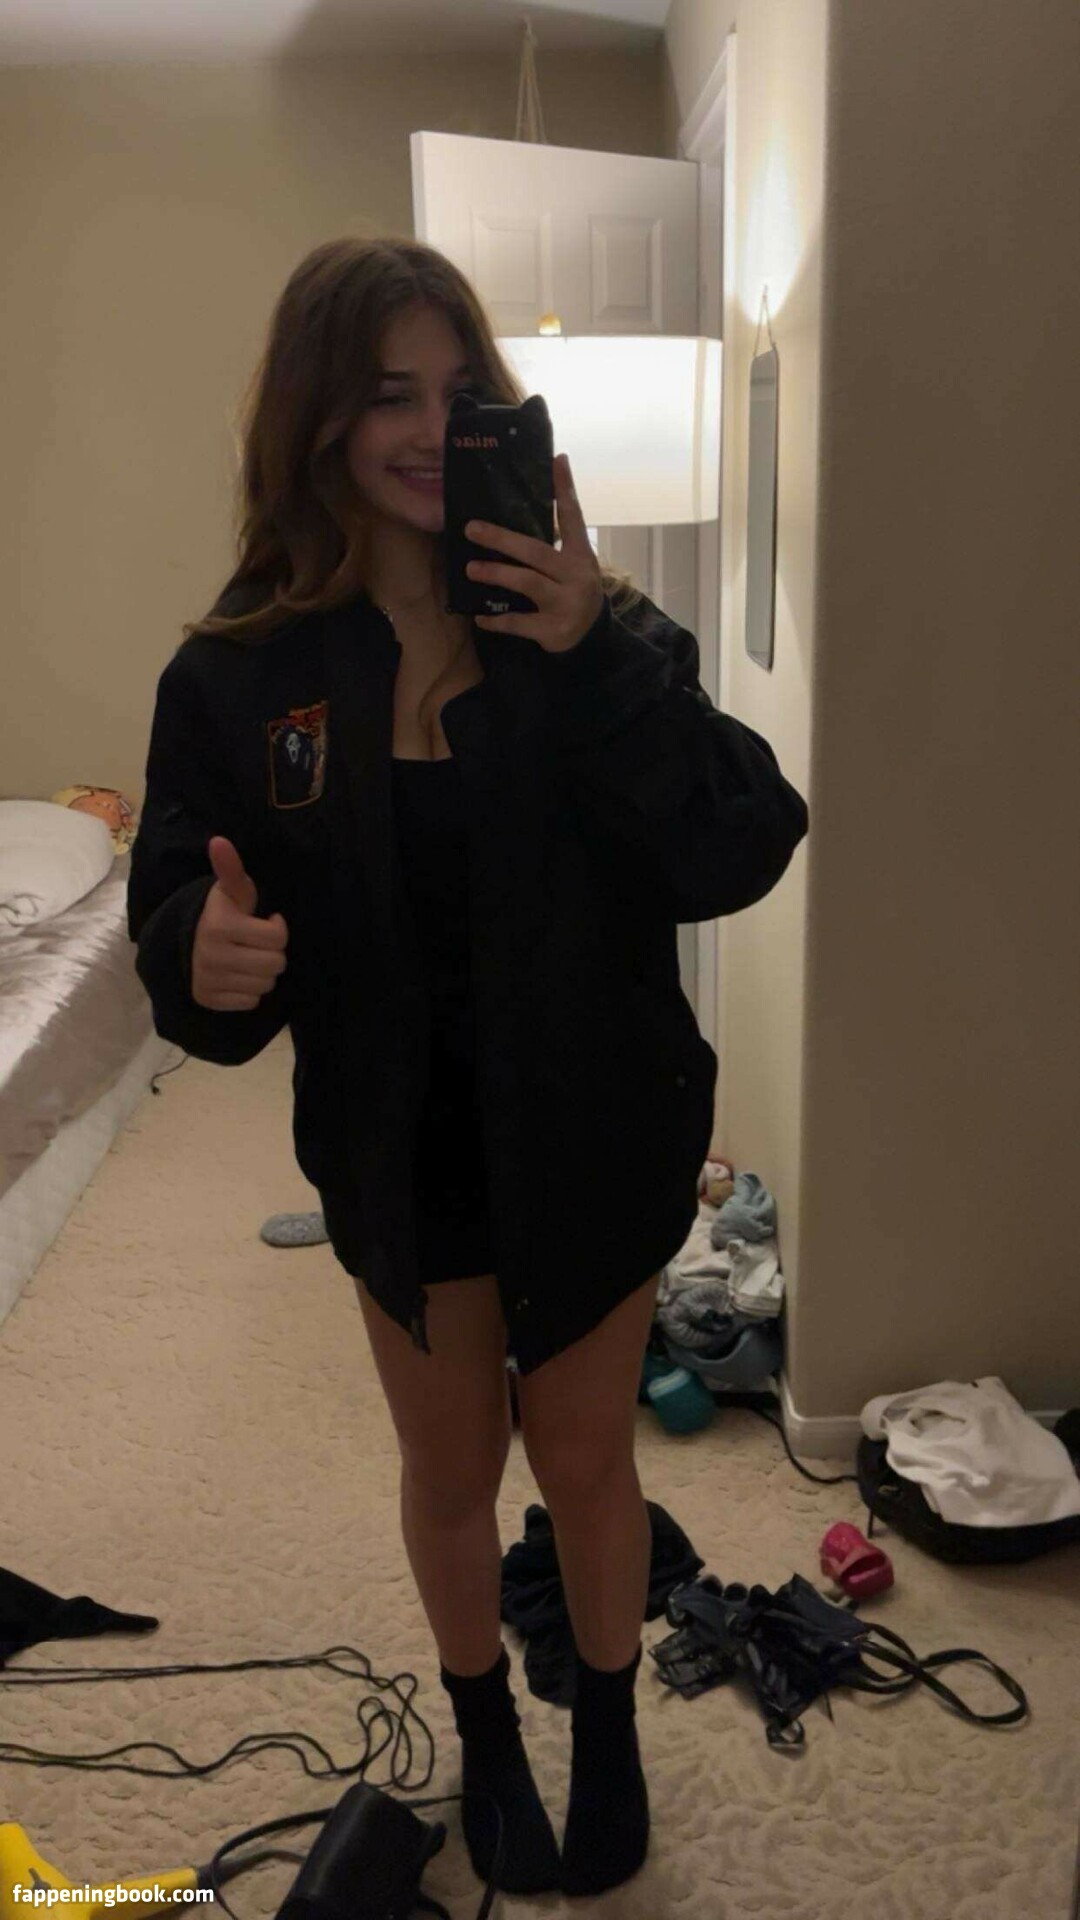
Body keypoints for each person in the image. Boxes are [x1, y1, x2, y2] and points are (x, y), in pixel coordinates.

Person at [128, 236, 809, 1899]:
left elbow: (742, 840)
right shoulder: (238, 673)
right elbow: (181, 903)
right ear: (317, 422)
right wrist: (196, 952)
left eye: (462, 392)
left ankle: (609, 1723)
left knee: (587, 1462)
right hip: (396, 1139)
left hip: (593, 1122)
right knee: (449, 1472)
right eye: (389, 396)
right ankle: (485, 1724)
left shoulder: (592, 630)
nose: (433, 431)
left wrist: (597, 660)